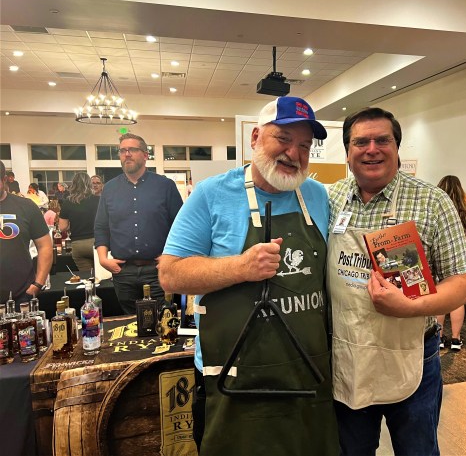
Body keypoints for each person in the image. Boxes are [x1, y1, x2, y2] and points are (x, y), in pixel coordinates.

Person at [158, 96, 339, 456]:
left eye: (305, 145)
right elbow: (170, 274)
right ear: (255, 138)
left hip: (308, 373)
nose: (294, 152)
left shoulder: (318, 196)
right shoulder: (212, 194)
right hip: (232, 377)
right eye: (283, 138)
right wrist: (240, 267)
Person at [327, 107, 466, 456]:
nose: (372, 149)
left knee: (417, 450)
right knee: (351, 450)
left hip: (412, 354)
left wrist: (411, 307)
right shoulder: (329, 199)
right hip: (348, 352)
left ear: (397, 147)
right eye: (361, 141)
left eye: (383, 140)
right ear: (347, 151)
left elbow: (463, 283)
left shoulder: (431, 201)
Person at [94, 133, 183, 314]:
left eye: (132, 149)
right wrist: (103, 259)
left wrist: (172, 256)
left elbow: (181, 226)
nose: (127, 154)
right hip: (122, 271)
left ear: (145, 155)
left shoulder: (165, 186)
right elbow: (101, 226)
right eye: (122, 150)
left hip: (157, 270)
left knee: (162, 322)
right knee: (130, 325)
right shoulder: (109, 189)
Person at [436, 175, 466, 351]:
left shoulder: (436, 207)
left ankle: (438, 337)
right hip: (461, 252)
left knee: (439, 294)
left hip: (439, 252)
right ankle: (456, 339)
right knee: (458, 297)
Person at [0, 160, 53, 304]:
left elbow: (45, 246)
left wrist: (38, 284)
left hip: (21, 295)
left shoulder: (26, 206)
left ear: (4, 180)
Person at [58, 173, 100, 271]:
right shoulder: (99, 200)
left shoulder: (67, 203)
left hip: (78, 244)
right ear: (89, 184)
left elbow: (62, 227)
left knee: (87, 279)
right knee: (102, 277)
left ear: (74, 185)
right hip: (97, 242)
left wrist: (74, 223)